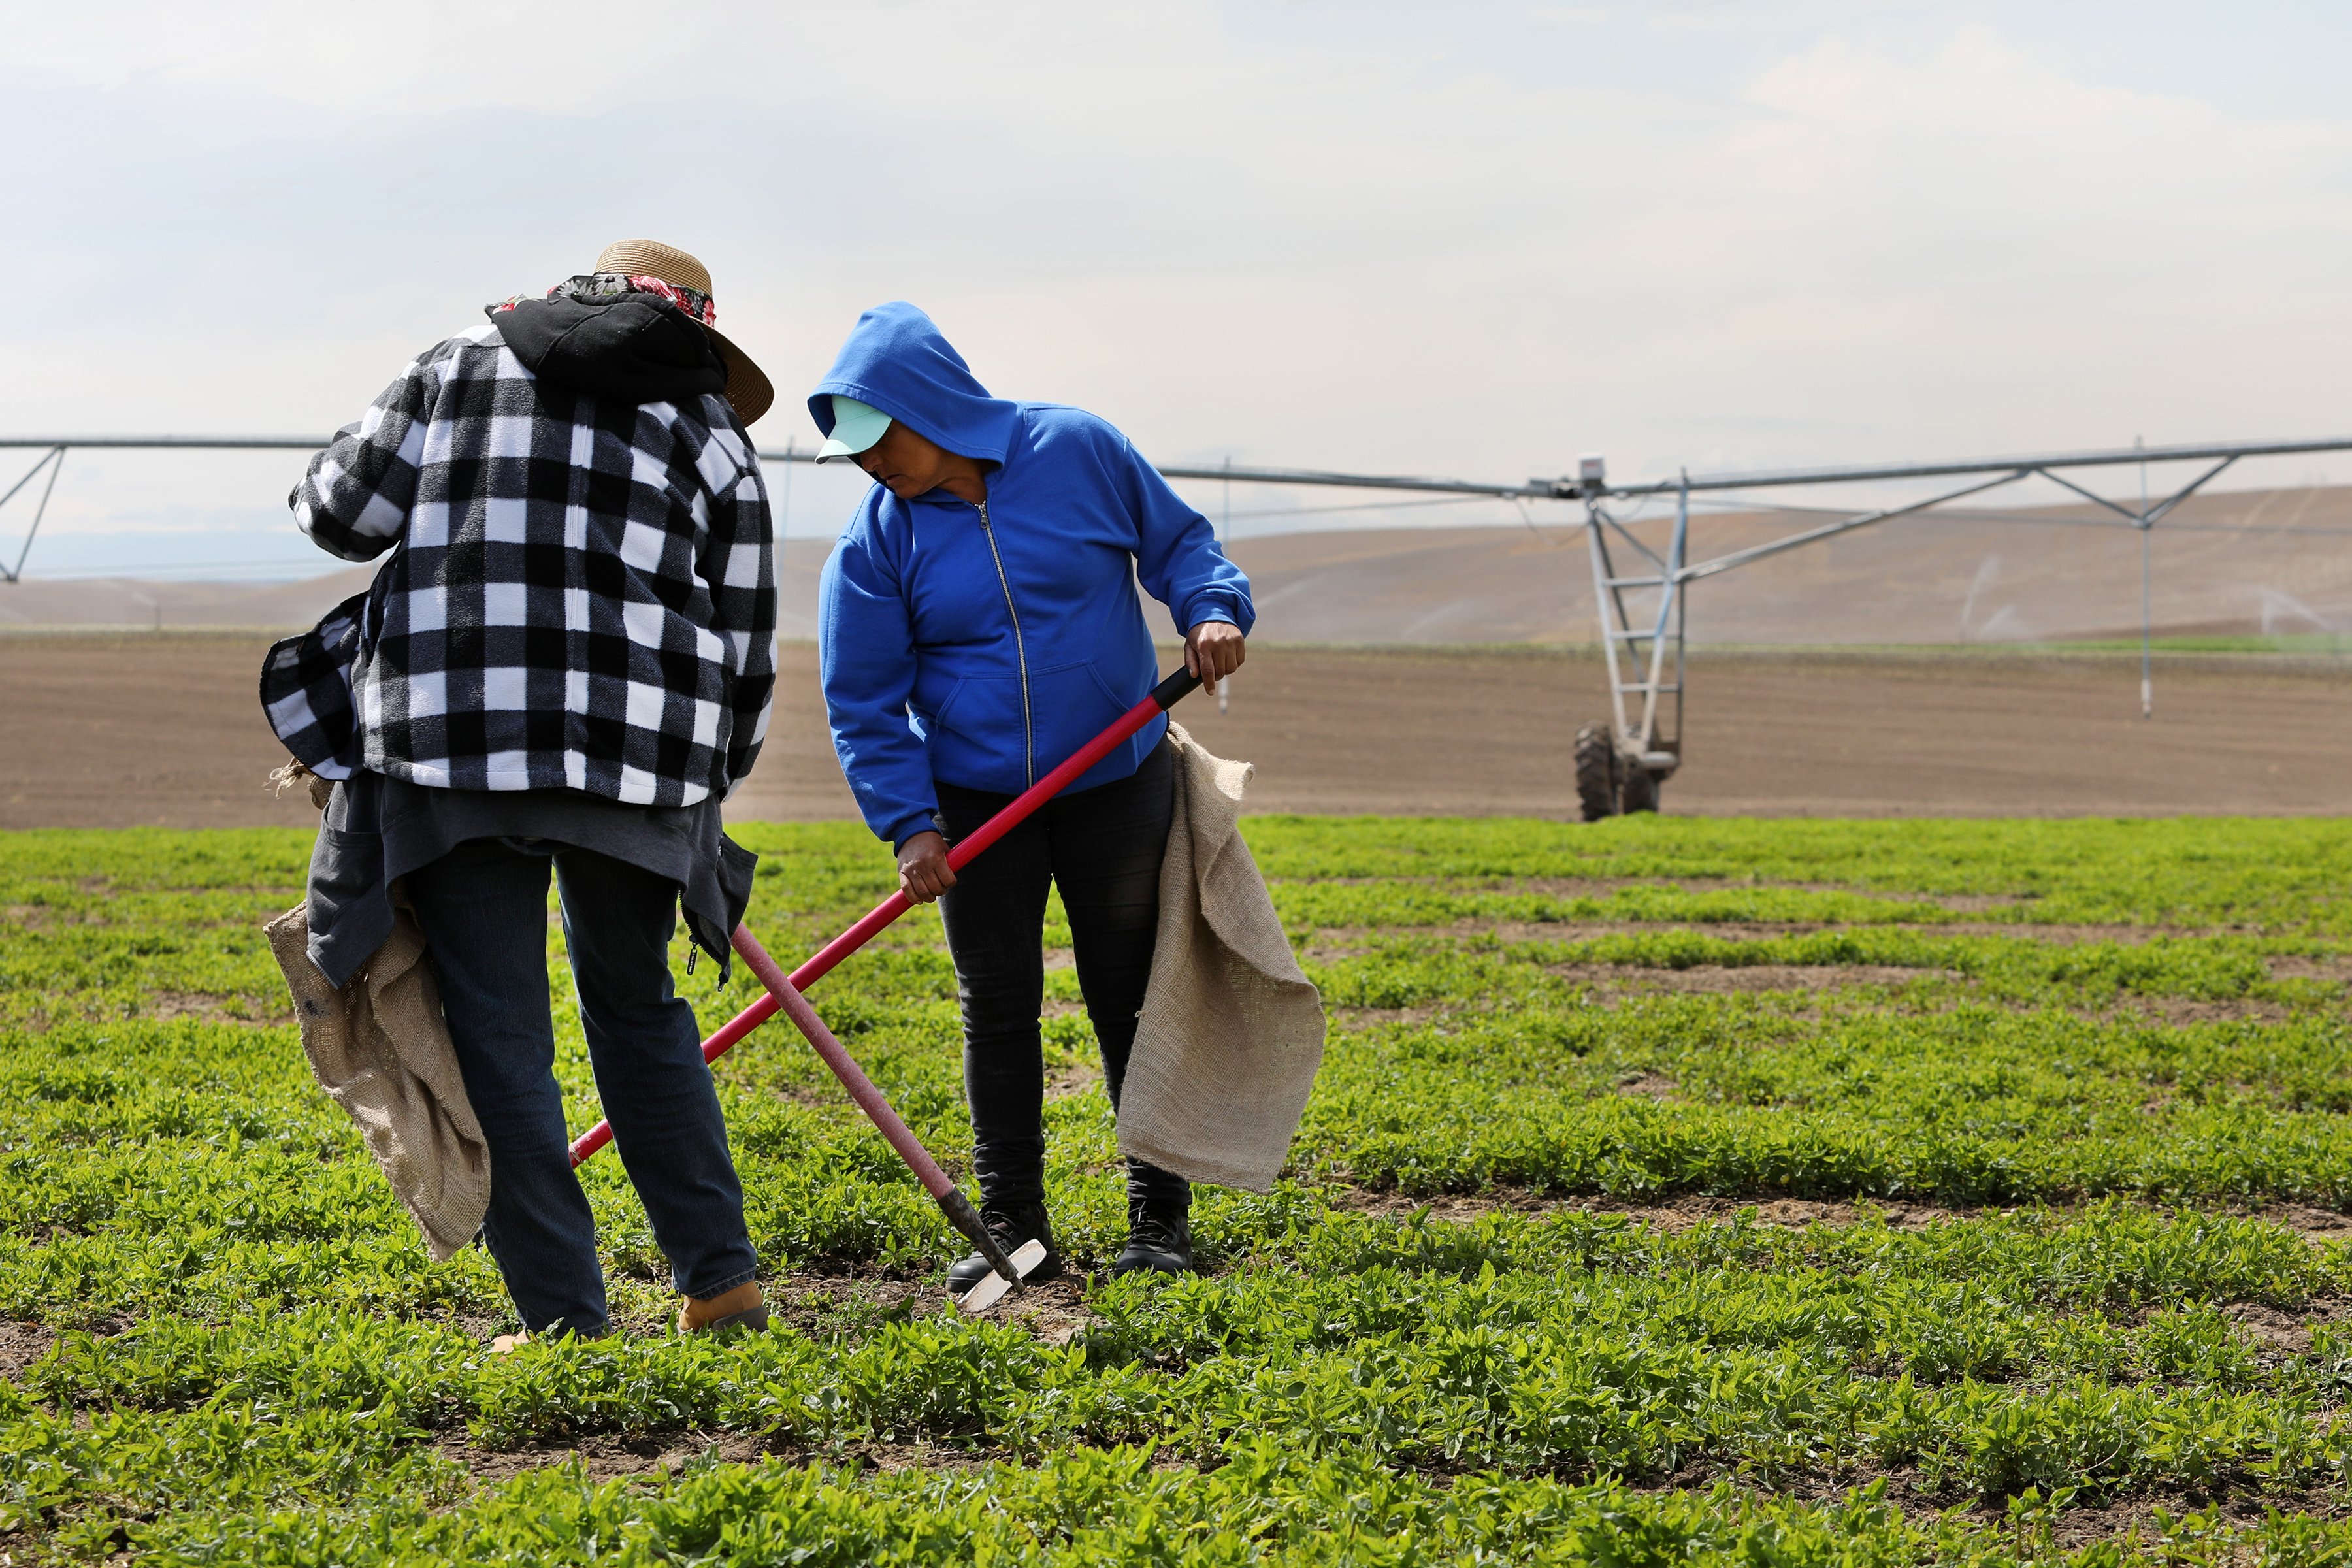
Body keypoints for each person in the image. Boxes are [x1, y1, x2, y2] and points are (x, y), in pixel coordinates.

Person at [262, 240, 779, 1344]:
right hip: (641, 761)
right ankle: (723, 1286)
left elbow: (337, 516)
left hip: (455, 746)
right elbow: (746, 638)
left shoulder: (454, 363)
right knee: (639, 1014)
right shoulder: (713, 431)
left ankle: (563, 1322)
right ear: (693, 327)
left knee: (500, 1034)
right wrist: (707, 787)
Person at [811, 301, 1252, 1286]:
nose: (872, 464)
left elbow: (1181, 547)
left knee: (1128, 1000)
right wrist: (910, 824)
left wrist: (1213, 609)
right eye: (857, 451)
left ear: (931, 406)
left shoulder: (1081, 450)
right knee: (996, 1005)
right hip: (976, 805)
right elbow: (864, 698)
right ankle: (1014, 1230)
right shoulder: (877, 541)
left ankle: (1158, 1224)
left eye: (883, 439)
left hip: (1114, 777)